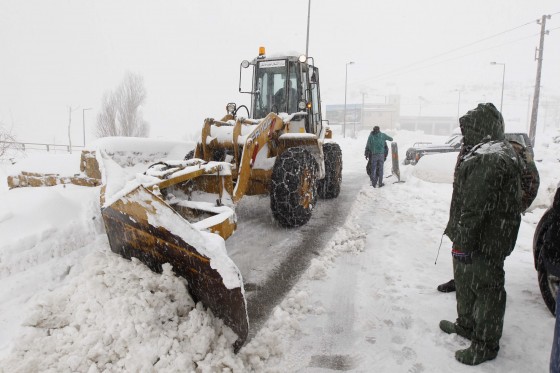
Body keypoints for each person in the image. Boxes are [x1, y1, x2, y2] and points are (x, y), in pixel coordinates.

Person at [439, 103, 523, 365]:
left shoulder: (489, 156)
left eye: (469, 129)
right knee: (468, 282)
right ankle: (466, 325)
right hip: (483, 234)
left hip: (487, 238)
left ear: (481, 128)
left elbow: (476, 206)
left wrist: (463, 240)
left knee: (487, 288)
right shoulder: (490, 151)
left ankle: (485, 343)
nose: (465, 134)